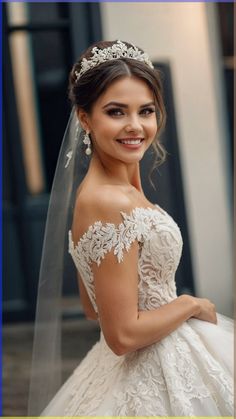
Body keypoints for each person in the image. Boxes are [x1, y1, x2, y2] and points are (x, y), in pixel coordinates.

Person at [29, 40, 233, 417]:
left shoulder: (111, 193)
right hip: (151, 370)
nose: (135, 126)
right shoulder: (109, 201)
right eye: (116, 112)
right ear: (85, 118)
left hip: (153, 356)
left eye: (146, 111)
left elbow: (93, 307)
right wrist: (190, 303)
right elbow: (121, 336)